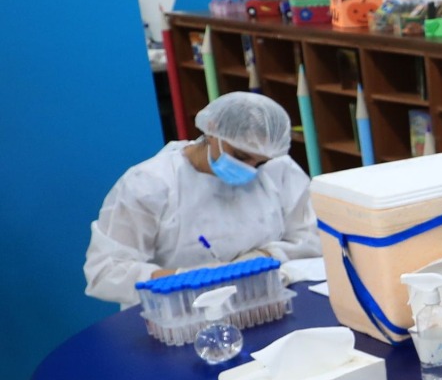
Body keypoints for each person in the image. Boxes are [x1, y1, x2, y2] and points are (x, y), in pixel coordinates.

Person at [84, 92, 320, 307]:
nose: (249, 168)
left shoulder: (279, 171)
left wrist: (260, 259)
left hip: (260, 302)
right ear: (212, 130)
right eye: (240, 156)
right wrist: (188, 280)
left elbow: (311, 239)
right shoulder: (149, 185)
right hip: (175, 314)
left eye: (260, 162)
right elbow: (106, 271)